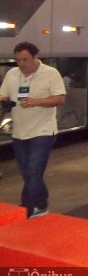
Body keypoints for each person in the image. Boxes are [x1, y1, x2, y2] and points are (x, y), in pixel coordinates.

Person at [0, 42, 66, 218]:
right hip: (19, 132)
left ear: (35, 57)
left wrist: (37, 101)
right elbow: (3, 93)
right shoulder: (12, 74)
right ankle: (41, 203)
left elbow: (59, 99)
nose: (21, 64)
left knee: (33, 171)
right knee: (27, 173)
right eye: (18, 60)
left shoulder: (50, 74)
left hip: (43, 131)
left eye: (25, 60)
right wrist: (4, 100)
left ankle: (26, 209)